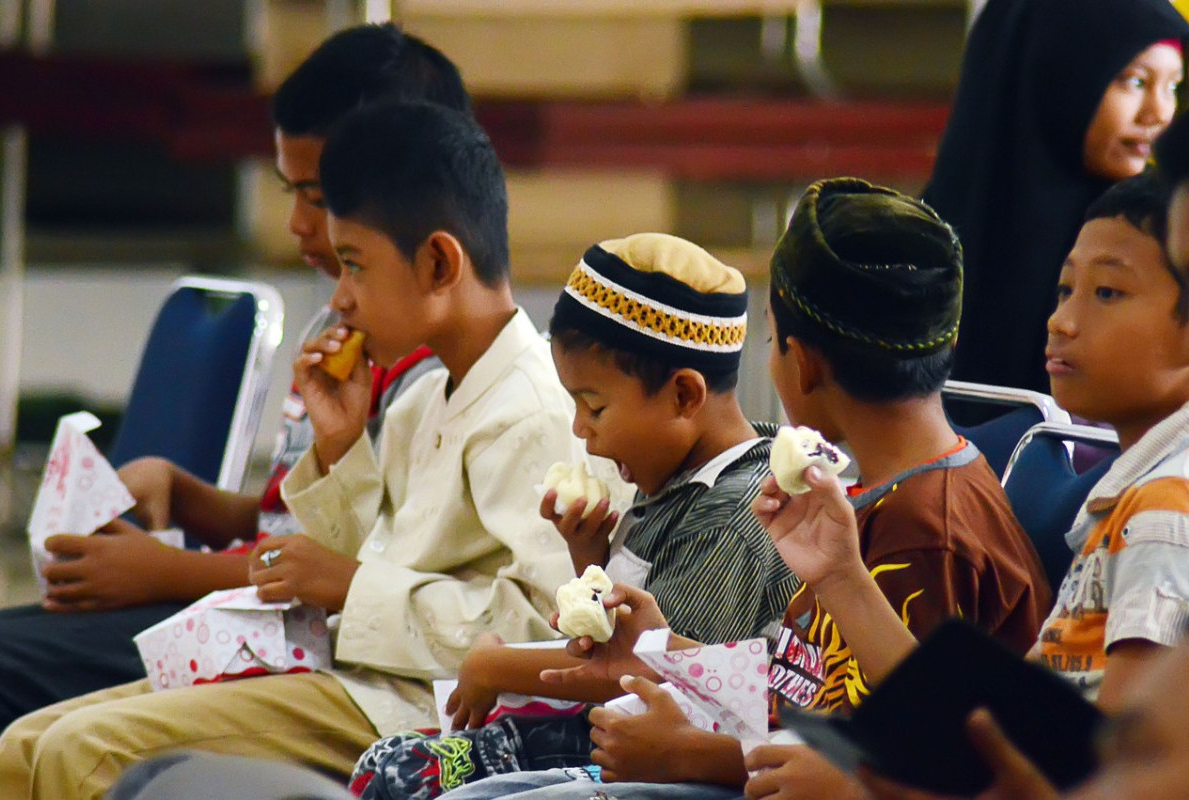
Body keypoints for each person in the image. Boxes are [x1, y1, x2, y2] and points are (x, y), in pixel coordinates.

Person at [0, 101, 616, 800]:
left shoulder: (529, 410)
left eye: (355, 266)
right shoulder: (423, 399)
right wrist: (341, 446)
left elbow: (534, 632)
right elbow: (346, 564)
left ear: (439, 261)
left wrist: (352, 586)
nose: (341, 299)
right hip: (351, 674)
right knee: (24, 745)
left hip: (423, 710)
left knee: (86, 750)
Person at [431, 177, 1051, 800]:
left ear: (802, 359)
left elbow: (915, 758)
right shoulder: (867, 499)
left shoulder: (926, 531)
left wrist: (698, 755)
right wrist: (664, 650)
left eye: (770, 337)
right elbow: (800, 686)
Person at [0, 21, 458, 747]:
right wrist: (194, 500)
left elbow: (353, 571)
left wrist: (168, 572)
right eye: (290, 191)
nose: (301, 225)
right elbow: (299, 519)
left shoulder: (426, 362)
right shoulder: (339, 326)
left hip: (286, 639)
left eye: (318, 197)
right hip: (240, 602)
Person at [780, 171, 1189, 800]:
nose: (1062, 321)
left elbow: (1113, 776)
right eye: (1065, 288)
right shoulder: (1132, 497)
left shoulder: (1164, 511)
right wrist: (838, 574)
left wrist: (857, 791)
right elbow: (988, 736)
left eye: (1107, 292)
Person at [349, 233, 801, 799]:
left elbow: (649, 679)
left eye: (595, 406)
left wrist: (497, 667)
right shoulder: (679, 476)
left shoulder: (731, 517)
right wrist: (589, 558)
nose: (579, 430)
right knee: (392, 762)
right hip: (602, 738)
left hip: (661, 767)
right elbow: (626, 642)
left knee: (402, 777)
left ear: (685, 396)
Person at [923, 0, 1187, 393]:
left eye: (1173, 87)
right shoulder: (915, 251)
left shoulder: (1165, 237)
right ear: (1051, 77)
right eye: (1135, 82)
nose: (1160, 112)